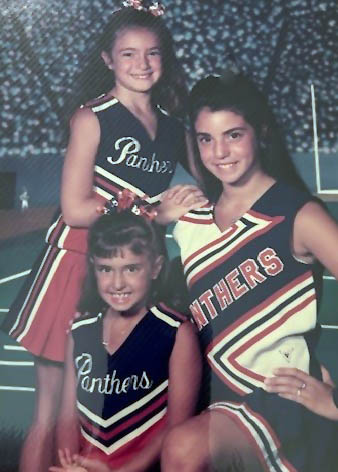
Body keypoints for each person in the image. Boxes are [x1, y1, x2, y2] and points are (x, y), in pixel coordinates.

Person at [1, 5, 204, 472]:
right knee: (51, 411)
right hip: (73, 264)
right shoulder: (92, 117)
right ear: (108, 59)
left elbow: (203, 191)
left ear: (165, 58)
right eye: (128, 53)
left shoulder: (173, 127)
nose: (142, 64)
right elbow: (74, 208)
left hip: (126, 273)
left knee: (100, 411)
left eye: (153, 53)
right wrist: (152, 210)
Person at [159, 73, 338, 471]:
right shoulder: (190, 223)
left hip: (279, 400)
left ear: (261, 132)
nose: (219, 152)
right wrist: (155, 218)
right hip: (216, 395)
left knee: (183, 450)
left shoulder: (298, 214)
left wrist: (335, 402)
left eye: (234, 135)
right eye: (206, 139)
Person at [49, 204, 201, 472]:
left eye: (131, 269)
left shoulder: (175, 331)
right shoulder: (80, 331)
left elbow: (177, 428)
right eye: (106, 269)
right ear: (94, 268)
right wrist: (70, 465)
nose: (117, 283)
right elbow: (66, 418)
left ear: (154, 268)